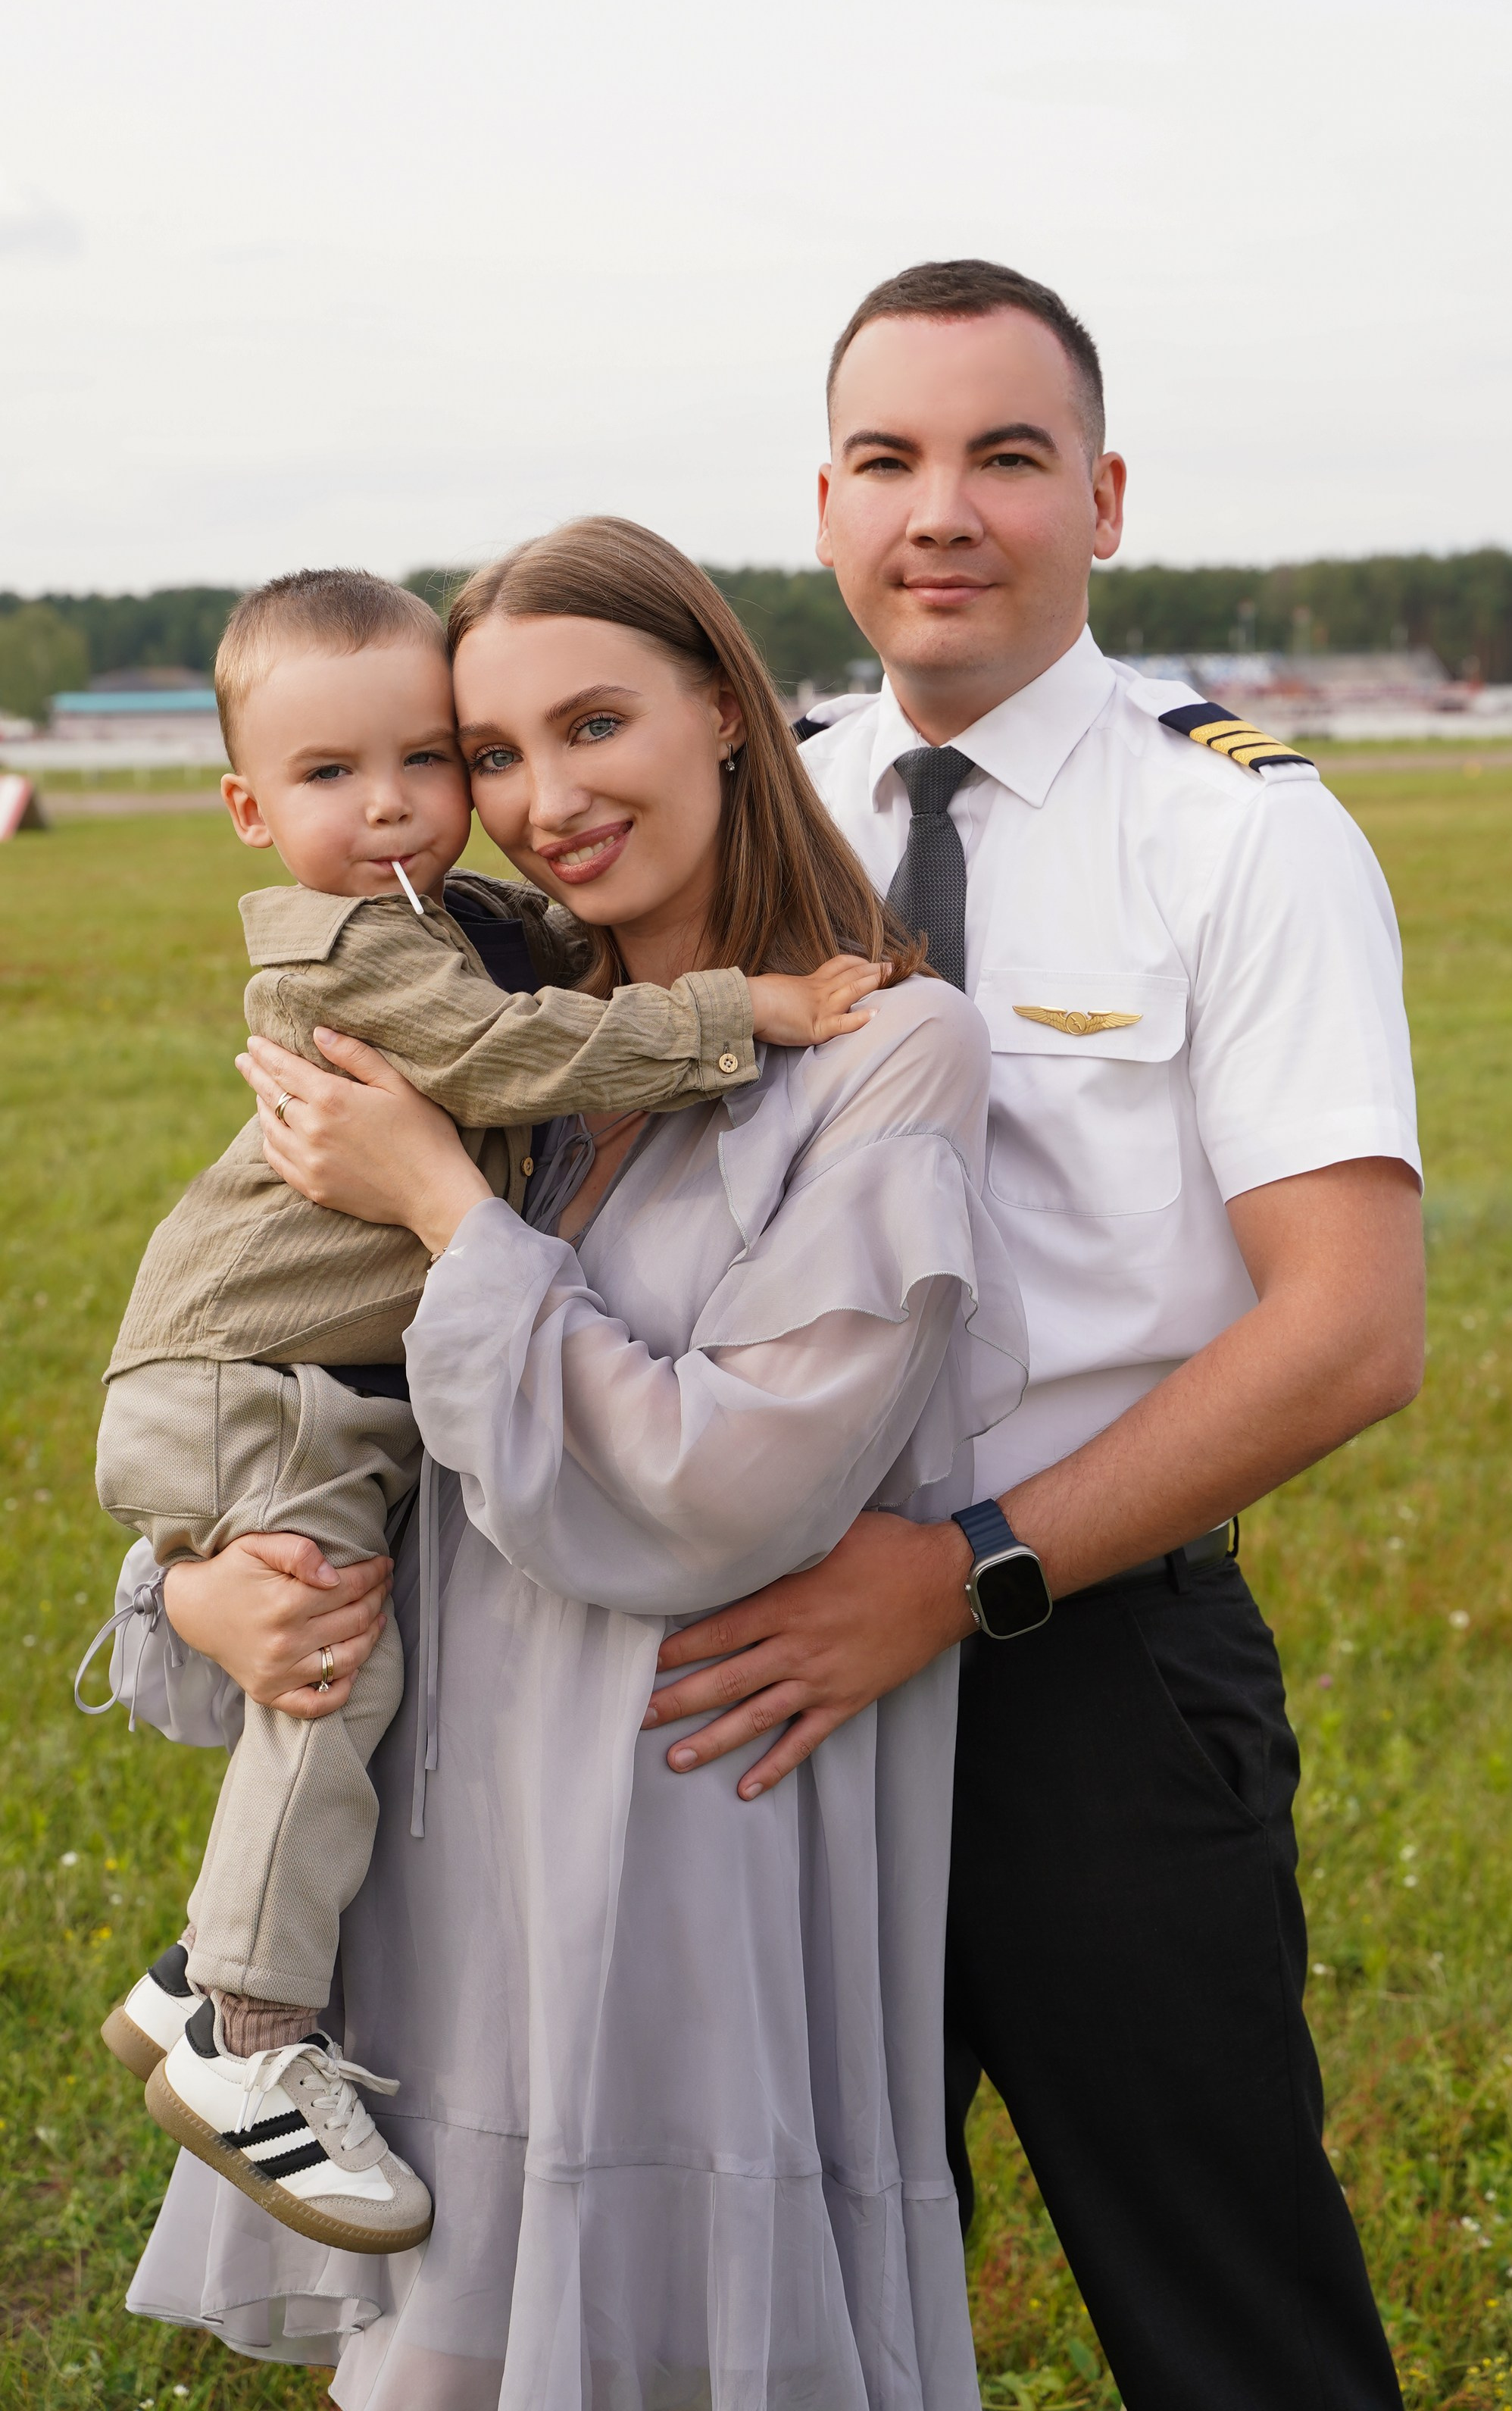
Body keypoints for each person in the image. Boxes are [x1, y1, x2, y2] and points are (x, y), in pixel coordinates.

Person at [105, 517, 1026, 2409]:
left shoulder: (887, 1052)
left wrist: (444, 1206)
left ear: (722, 708)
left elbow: (723, 1485)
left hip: (682, 1840)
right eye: (492, 751)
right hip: (449, 1867)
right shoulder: (493, 1045)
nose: (535, 801)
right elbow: (300, 1387)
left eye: (589, 723)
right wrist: (191, 1584)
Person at [641, 261, 1426, 2411]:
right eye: (889, 459)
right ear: (821, 505)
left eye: (1004, 456)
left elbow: (1349, 1331)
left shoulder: (1239, 828)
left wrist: (964, 1566)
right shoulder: (744, 818)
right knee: (794, 2317)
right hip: (769, 1665)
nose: (944, 511)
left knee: (1227, 2309)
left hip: (1085, 1672)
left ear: (1100, 495)